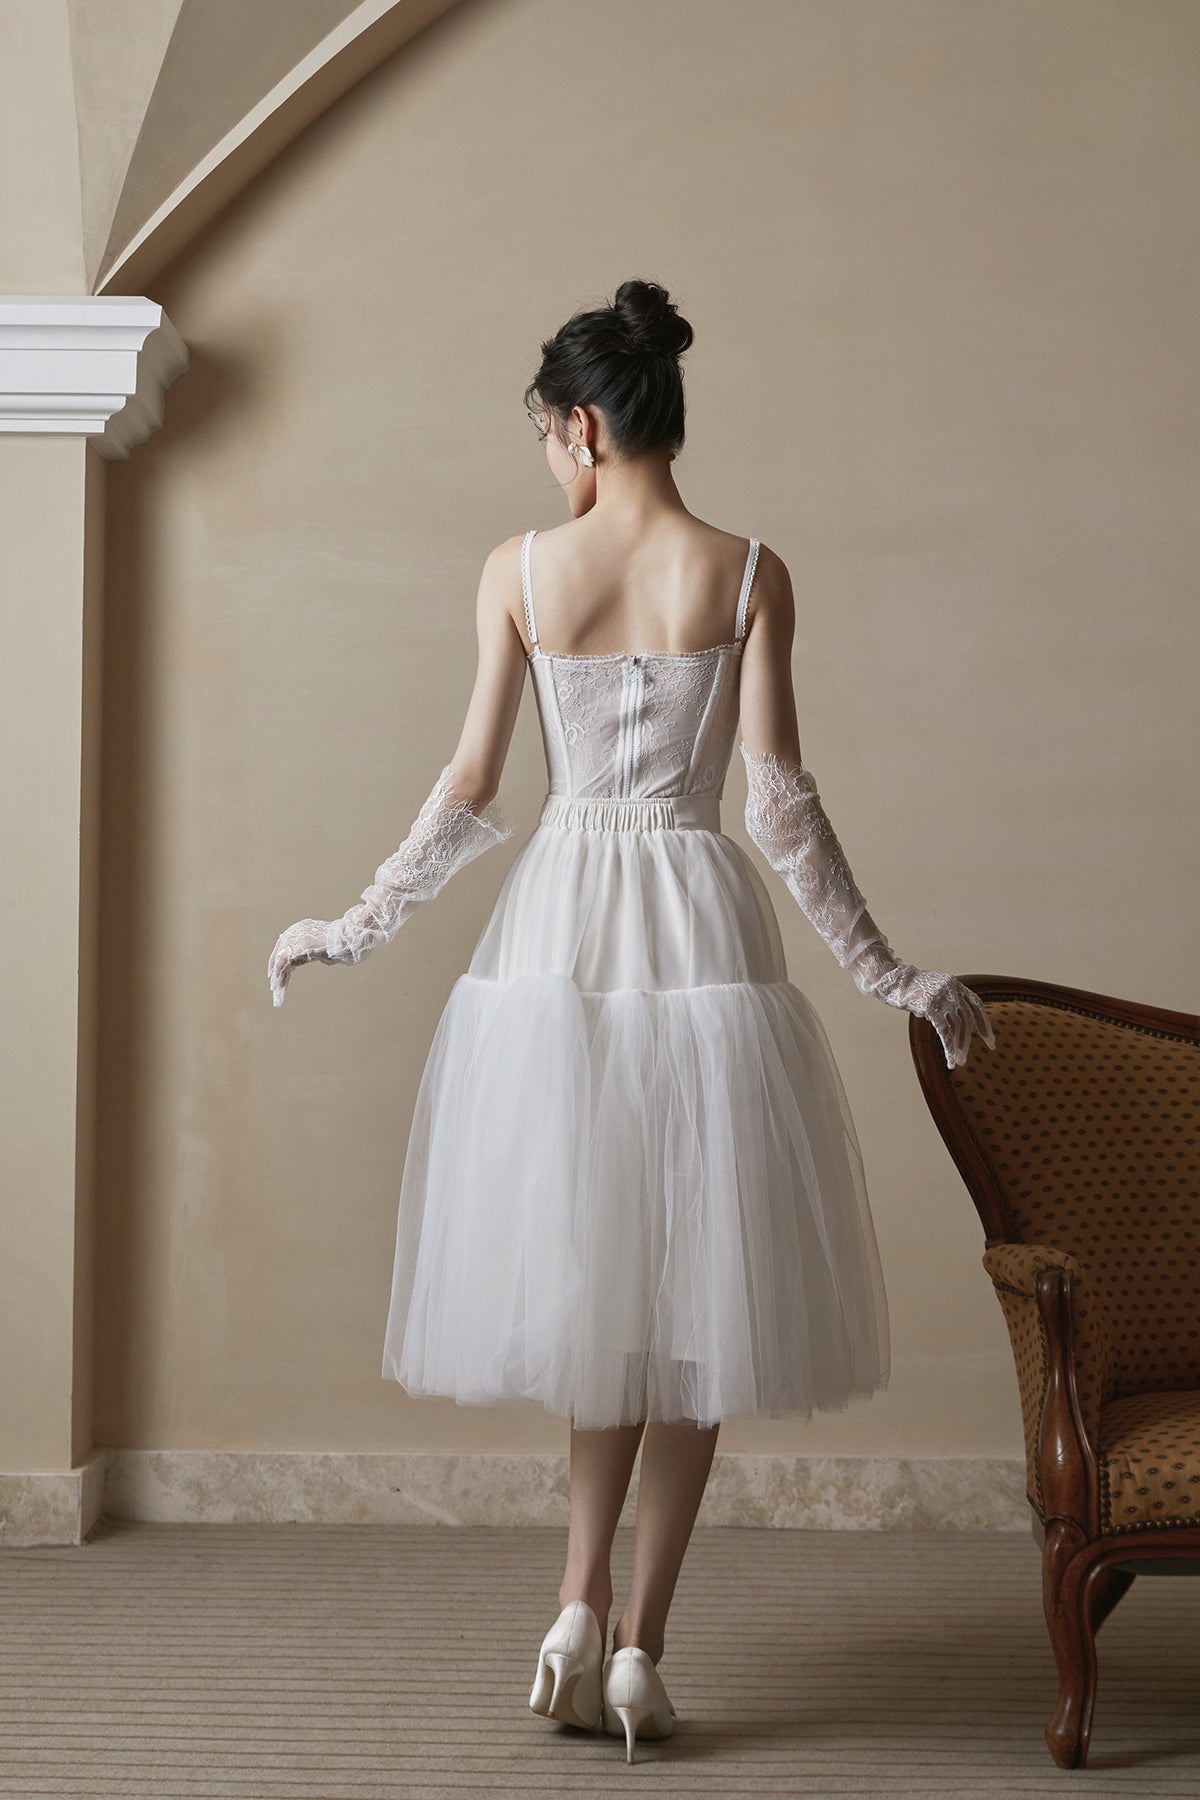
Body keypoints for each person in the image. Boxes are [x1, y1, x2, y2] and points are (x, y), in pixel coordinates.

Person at [267, 277, 995, 1763]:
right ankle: (640, 1645)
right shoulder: (749, 571)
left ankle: (573, 1607)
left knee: (603, 1289)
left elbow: (474, 787)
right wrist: (886, 973)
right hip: (697, 922)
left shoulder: (521, 571)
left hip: (565, 927)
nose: (550, 458)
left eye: (549, 434)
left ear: (585, 426)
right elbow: (780, 808)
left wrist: (353, 924)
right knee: (697, 1305)